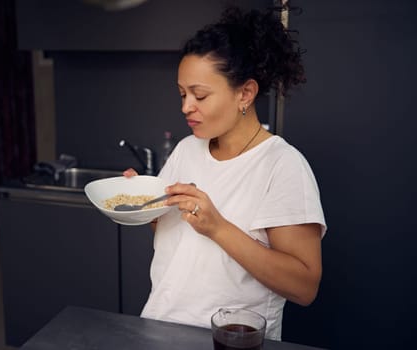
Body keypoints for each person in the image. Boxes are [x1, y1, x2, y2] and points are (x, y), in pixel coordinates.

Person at [123, 5, 326, 340]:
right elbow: (169, 228)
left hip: (230, 341)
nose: (186, 106)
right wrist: (141, 203)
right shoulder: (188, 149)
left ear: (244, 93)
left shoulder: (283, 165)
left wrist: (217, 227)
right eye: (183, 94)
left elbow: (304, 287)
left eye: (199, 95)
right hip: (159, 328)